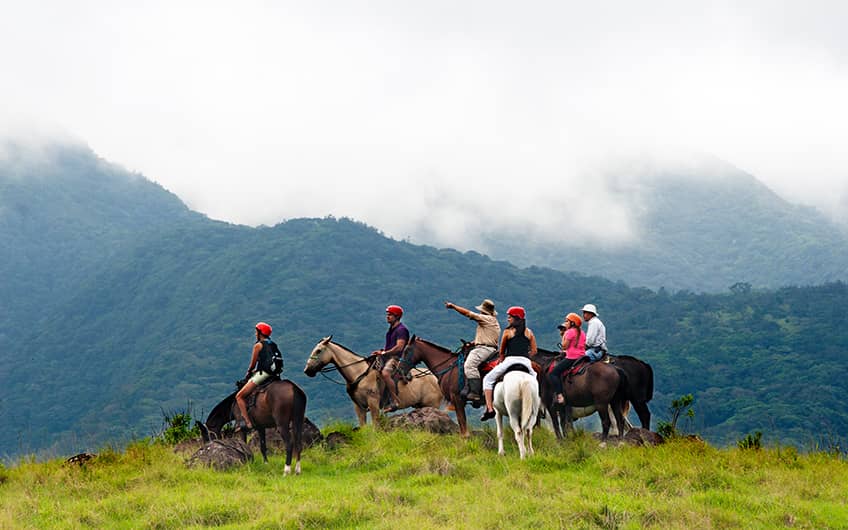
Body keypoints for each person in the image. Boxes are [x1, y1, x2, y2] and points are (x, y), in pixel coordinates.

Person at [480, 306, 538, 421]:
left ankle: (490, 408)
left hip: (510, 360)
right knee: (535, 380)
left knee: (487, 379)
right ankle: (536, 405)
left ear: (516, 318)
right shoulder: (529, 332)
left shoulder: (507, 332)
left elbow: (501, 352)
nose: (508, 319)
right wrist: (526, 357)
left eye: (510, 317)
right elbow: (535, 351)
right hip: (526, 362)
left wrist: (501, 359)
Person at [445, 298, 501, 403]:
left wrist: (454, 306)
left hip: (484, 349)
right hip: (486, 347)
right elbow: (487, 337)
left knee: (469, 365)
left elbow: (468, 313)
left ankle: (475, 393)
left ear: (483, 311)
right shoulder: (493, 321)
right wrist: (473, 343)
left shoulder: (486, 318)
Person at [235, 321, 279, 431]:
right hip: (275, 375)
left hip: (263, 375)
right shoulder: (273, 344)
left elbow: (252, 364)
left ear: (260, 333)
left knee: (239, 396)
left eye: (256, 332)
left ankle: (247, 423)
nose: (255, 334)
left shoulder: (258, 345)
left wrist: (249, 372)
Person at [371, 304, 410, 412]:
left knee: (385, 374)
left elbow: (399, 347)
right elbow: (390, 346)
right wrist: (380, 352)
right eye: (387, 314)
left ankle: (395, 401)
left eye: (390, 315)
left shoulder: (401, 330)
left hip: (396, 358)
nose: (387, 316)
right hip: (387, 356)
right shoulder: (391, 329)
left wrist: (384, 353)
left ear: (397, 316)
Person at [548, 313, 587, 404]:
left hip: (571, 357)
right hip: (582, 357)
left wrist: (564, 336)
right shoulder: (582, 333)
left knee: (553, 373)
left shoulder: (569, 332)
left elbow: (564, 347)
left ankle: (560, 395)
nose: (565, 323)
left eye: (567, 321)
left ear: (572, 323)